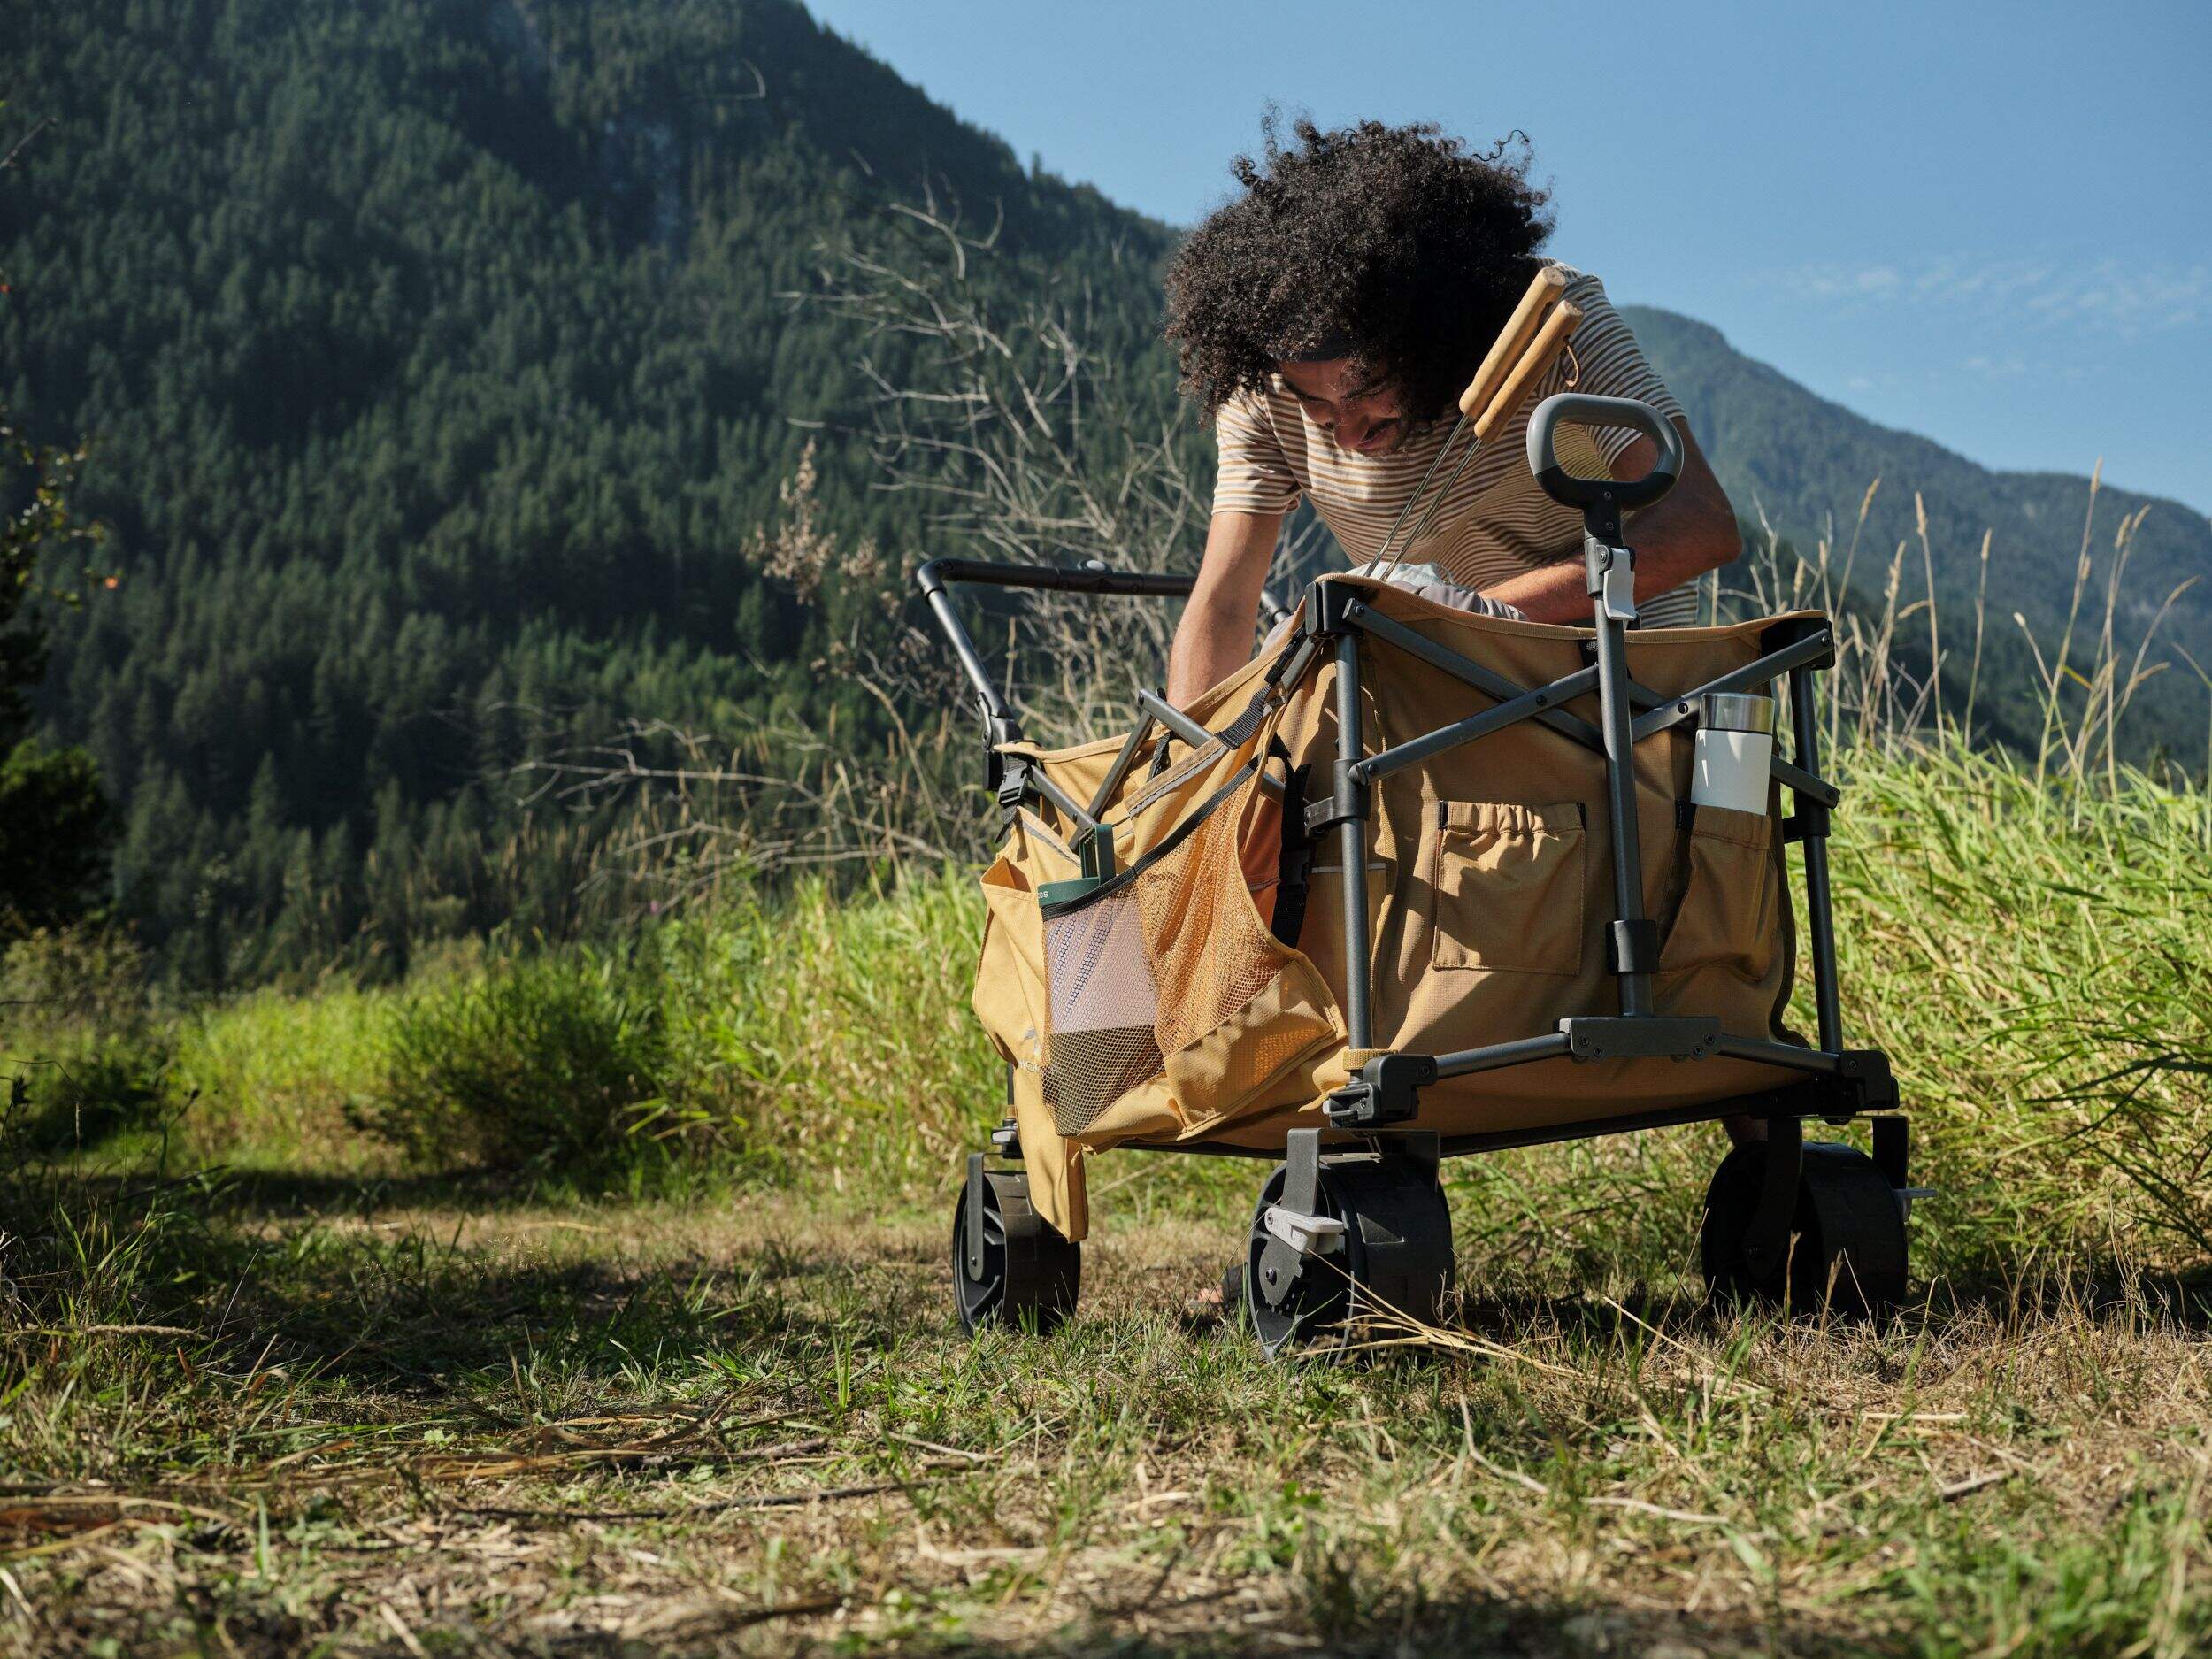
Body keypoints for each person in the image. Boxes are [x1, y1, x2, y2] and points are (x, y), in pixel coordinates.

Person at [1161, 119, 1742, 708]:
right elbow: (1225, 604)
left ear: (1430, 338)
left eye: (1368, 388)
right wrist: (1190, 755)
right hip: (1445, 686)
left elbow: (1701, 523)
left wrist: (1469, 617)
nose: (1348, 432)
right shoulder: (1262, 388)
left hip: (1624, 685)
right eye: (1315, 403)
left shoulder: (1546, 322)